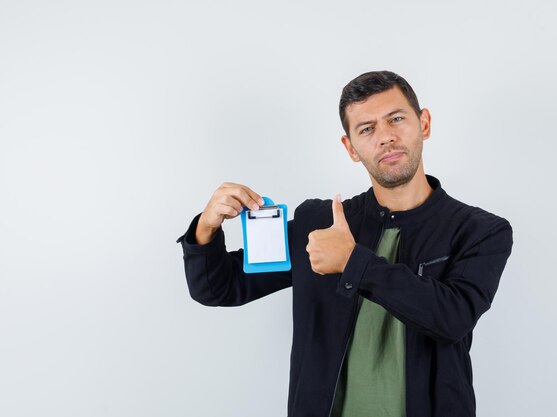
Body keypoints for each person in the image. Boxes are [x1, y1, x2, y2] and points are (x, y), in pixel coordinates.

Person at [176, 70, 513, 417]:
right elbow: (219, 289)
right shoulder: (317, 224)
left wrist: (354, 263)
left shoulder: (481, 230)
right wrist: (206, 229)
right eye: (367, 129)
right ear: (350, 147)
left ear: (424, 123)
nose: (386, 137)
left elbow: (452, 319)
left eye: (396, 119)